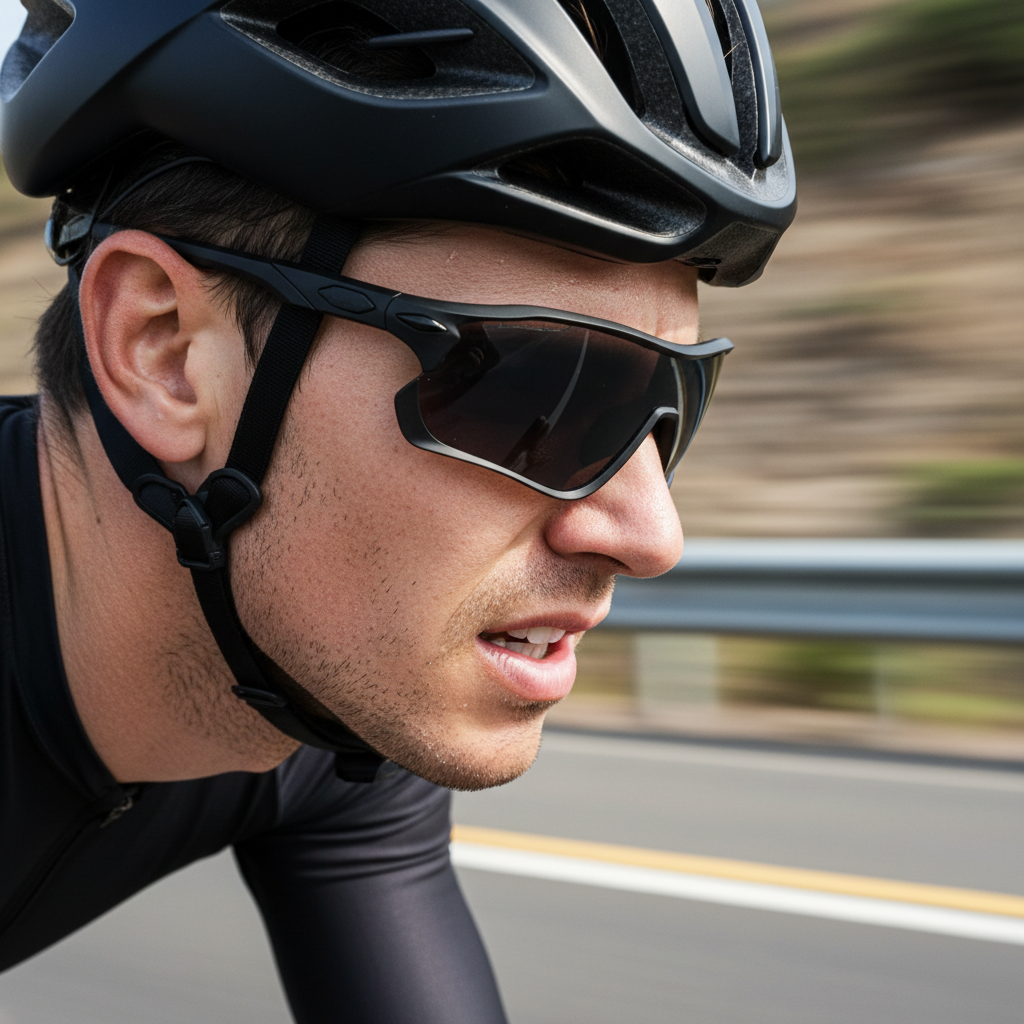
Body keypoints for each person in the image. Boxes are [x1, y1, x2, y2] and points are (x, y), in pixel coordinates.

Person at [0, 0, 795, 1020]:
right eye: (534, 394)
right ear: (165, 352)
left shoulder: (335, 701)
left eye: (668, 405)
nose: (650, 534)